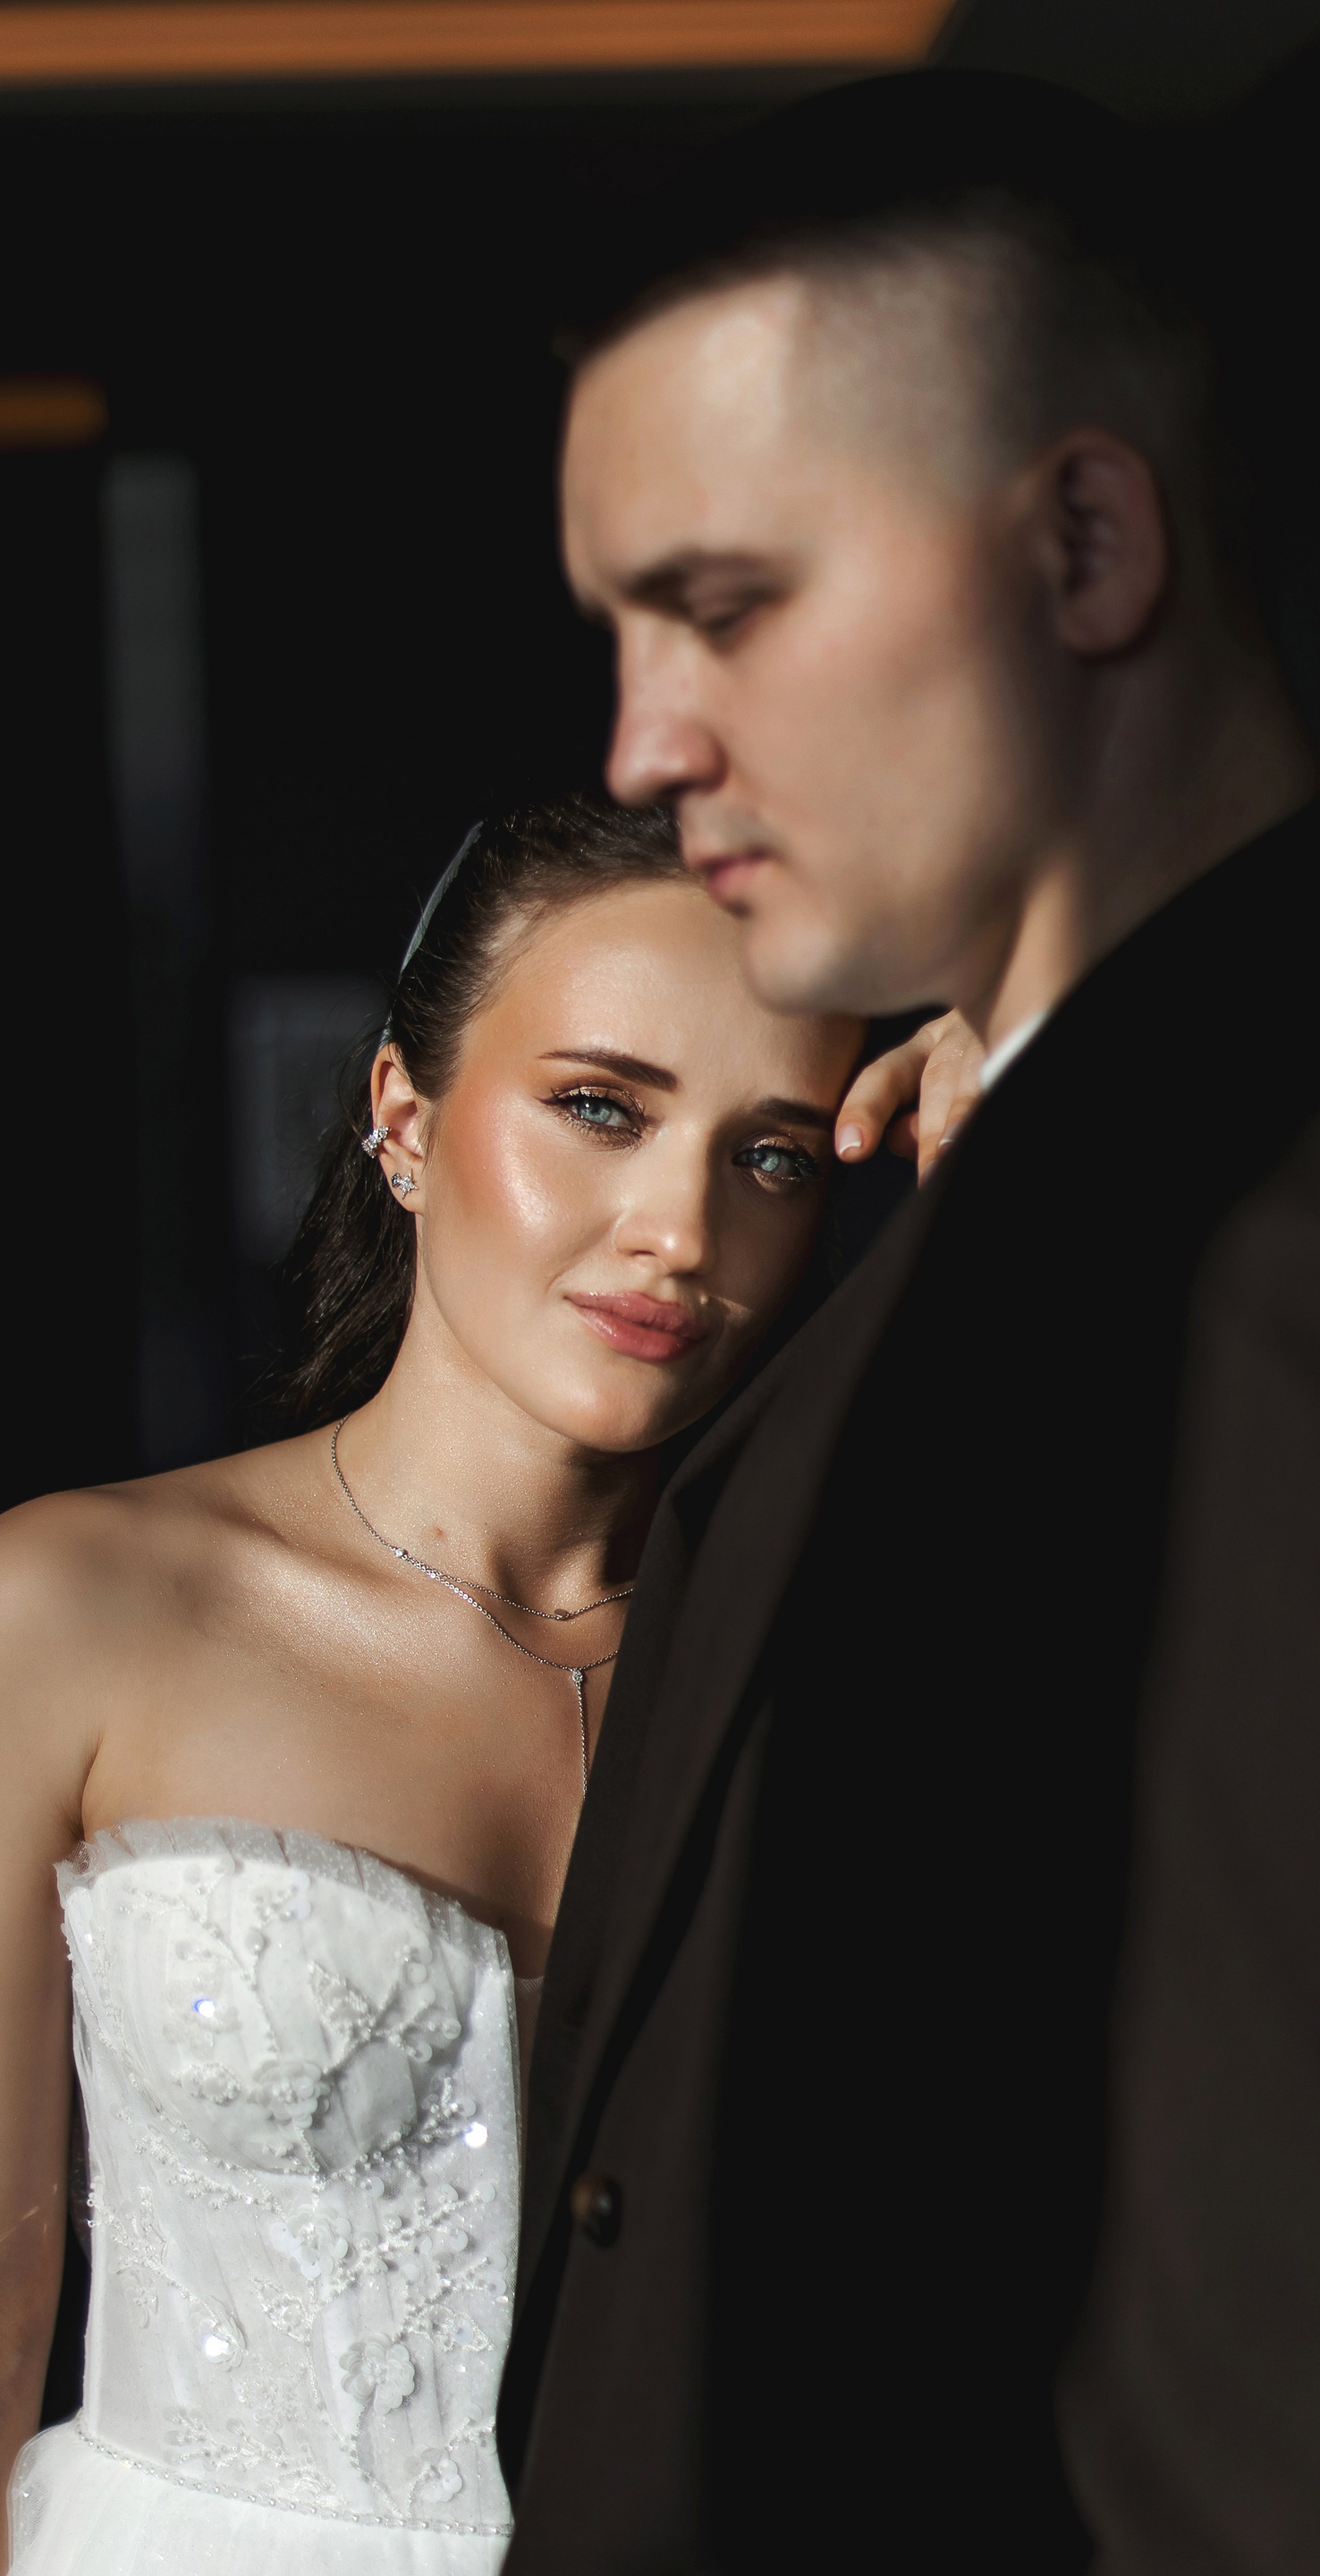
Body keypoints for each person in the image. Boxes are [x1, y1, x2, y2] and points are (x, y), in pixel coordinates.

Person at [497, 71, 1319, 2574]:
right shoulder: (1024, 1182)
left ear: (1086, 542)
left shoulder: (1245, 1252)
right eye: (620, 633)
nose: (645, 743)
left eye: (727, 606)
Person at [0, 796, 964, 2576]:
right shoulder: (70, 1610)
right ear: (404, 1116)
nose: (678, 1229)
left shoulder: (855, 1668)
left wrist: (1046, 1111)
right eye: (601, 1108)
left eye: (770, 1156)